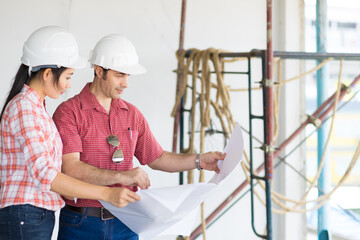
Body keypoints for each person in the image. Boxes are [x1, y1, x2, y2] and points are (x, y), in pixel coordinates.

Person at [52, 34, 226, 240]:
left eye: (128, 76)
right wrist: (123, 176)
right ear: (99, 71)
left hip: (127, 222)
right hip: (81, 223)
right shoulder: (69, 112)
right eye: (120, 75)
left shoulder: (132, 114)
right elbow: (71, 168)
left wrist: (198, 160)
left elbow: (157, 158)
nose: (125, 83)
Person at [0, 27, 140, 240]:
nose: (69, 85)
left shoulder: (36, 108)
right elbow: (46, 175)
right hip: (25, 214)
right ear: (47, 74)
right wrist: (107, 193)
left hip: (32, 215)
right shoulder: (25, 108)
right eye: (68, 76)